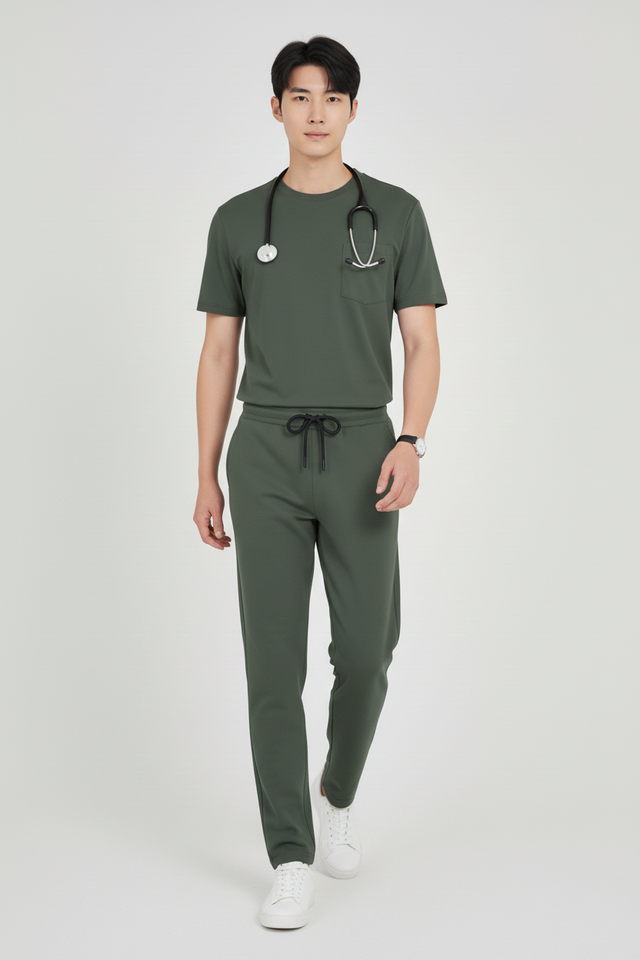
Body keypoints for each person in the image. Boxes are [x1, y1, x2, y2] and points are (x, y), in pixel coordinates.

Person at [193, 35, 447, 929]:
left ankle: (337, 791)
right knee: (272, 662)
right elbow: (217, 353)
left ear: (351, 110)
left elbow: (421, 342)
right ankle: (289, 854)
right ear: (276, 108)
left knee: (368, 652)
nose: (315, 112)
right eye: (299, 96)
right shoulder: (238, 221)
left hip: (365, 449)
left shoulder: (396, 214)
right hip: (264, 452)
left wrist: (411, 439)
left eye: (332, 97)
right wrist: (205, 473)